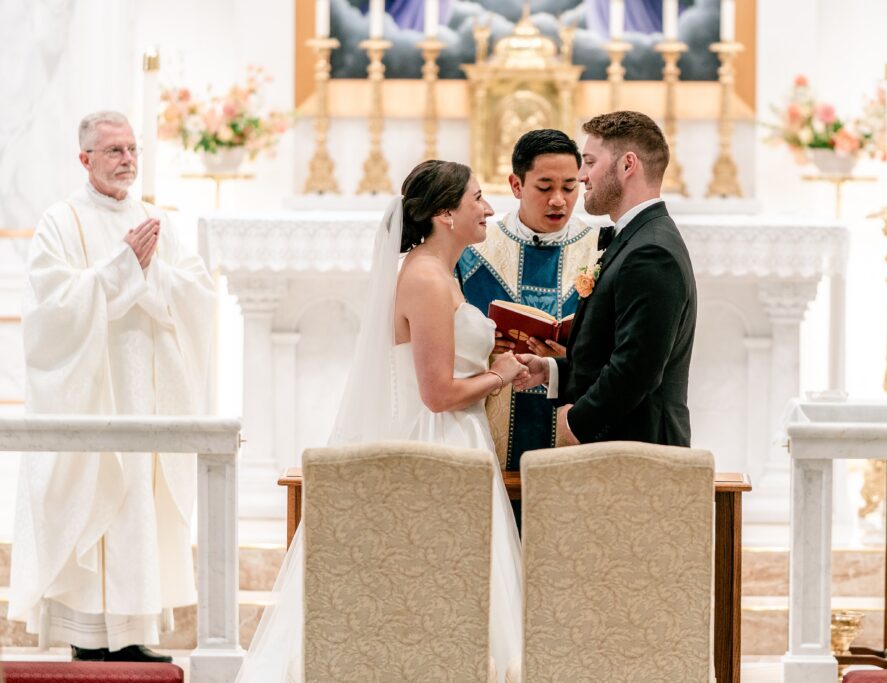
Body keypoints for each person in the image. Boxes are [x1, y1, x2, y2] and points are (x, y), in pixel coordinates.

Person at [236, 160, 527, 682]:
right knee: (440, 582)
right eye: (477, 199)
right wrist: (500, 375)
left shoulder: (438, 272)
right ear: (444, 213)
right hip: (439, 445)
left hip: (459, 439)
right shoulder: (426, 280)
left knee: (457, 585)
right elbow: (437, 394)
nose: (488, 209)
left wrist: (490, 356)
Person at [9, 111, 216, 662]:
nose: (127, 160)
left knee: (137, 507)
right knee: (96, 496)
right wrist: (121, 268)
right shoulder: (61, 221)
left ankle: (133, 633)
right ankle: (88, 637)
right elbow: (51, 310)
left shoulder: (156, 220)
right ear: (85, 160)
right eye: (114, 151)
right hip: (94, 391)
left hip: (144, 395)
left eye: (131, 149)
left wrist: (147, 272)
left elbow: (197, 295)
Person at [516, 111, 698, 447]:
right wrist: (551, 369)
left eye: (589, 161)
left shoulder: (652, 252)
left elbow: (635, 368)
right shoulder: (638, 238)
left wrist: (578, 422)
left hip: (637, 453)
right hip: (621, 450)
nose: (582, 176)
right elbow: (611, 353)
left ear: (628, 165)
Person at [456, 129, 601, 522]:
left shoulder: (603, 248)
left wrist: (572, 352)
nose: (559, 200)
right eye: (545, 187)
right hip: (491, 423)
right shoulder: (473, 251)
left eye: (570, 187)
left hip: (572, 428)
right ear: (516, 185)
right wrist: (486, 344)